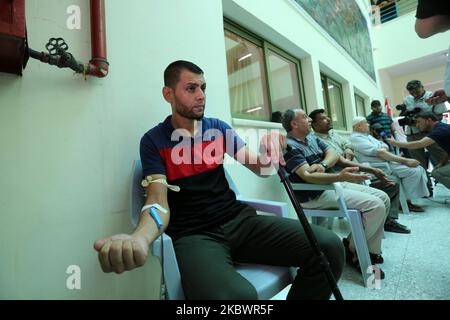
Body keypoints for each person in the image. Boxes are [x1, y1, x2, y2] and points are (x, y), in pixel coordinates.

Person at [93, 60, 344, 300]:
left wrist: (273, 147)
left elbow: (262, 168)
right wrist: (140, 237)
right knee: (235, 298)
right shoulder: (153, 141)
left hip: (240, 221)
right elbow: (157, 201)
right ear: (168, 94)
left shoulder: (218, 129)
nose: (201, 95)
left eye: (203, 87)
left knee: (329, 247)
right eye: (191, 88)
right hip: (195, 236)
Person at [282, 109, 389, 279]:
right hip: (315, 195)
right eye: (305, 117)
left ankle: (354, 247)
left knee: (384, 198)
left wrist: (324, 165)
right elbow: (309, 177)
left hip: (332, 185)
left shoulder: (311, 138)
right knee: (375, 205)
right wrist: (339, 175)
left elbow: (333, 154)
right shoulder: (289, 146)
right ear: (294, 124)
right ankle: (361, 255)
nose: (309, 119)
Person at [309, 109, 410, 234]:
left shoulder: (333, 134)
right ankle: (384, 220)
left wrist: (348, 149)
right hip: (346, 177)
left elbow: (348, 144)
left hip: (356, 170)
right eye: (323, 119)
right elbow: (339, 161)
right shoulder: (316, 141)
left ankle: (386, 218)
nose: (328, 119)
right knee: (391, 182)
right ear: (313, 124)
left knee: (392, 177)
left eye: (328, 117)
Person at [350, 116, 429, 212]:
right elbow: (381, 152)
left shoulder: (367, 136)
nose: (368, 125)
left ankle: (407, 199)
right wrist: (405, 161)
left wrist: (382, 148)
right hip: (377, 166)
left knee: (418, 168)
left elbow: (384, 147)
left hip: (385, 161)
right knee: (414, 171)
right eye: (366, 123)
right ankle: (406, 201)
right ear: (359, 126)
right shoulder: (356, 138)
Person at [388, 111, 450, 189]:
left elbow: (420, 144)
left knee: (436, 173)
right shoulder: (440, 128)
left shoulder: (439, 130)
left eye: (419, 122)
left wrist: (396, 143)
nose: (417, 125)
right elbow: (448, 150)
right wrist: (441, 163)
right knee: (439, 169)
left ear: (429, 120)